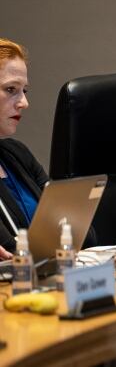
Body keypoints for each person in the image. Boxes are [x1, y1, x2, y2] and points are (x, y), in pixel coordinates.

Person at [0, 39, 48, 259]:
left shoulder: (17, 154)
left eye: (24, 90)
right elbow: (9, 248)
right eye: (11, 89)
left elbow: (85, 236)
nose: (24, 103)